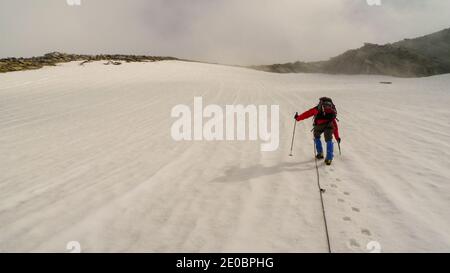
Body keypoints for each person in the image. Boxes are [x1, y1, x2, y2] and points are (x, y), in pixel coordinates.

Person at [295, 97, 341, 165]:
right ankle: (329, 158)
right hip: (329, 125)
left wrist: (298, 118)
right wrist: (337, 137)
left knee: (316, 137)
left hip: (319, 125)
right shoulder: (331, 111)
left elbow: (307, 114)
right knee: (329, 140)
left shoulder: (317, 108)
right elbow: (335, 125)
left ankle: (320, 153)